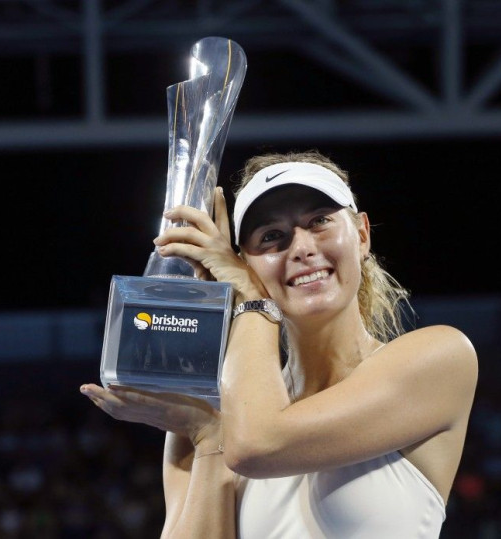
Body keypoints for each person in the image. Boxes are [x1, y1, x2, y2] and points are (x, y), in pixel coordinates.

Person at [80, 150, 478, 538]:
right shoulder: (213, 411)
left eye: (319, 221)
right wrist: (208, 438)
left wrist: (251, 301)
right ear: (244, 263)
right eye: (272, 236)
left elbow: (259, 443)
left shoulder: (440, 358)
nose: (302, 248)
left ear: (361, 234)